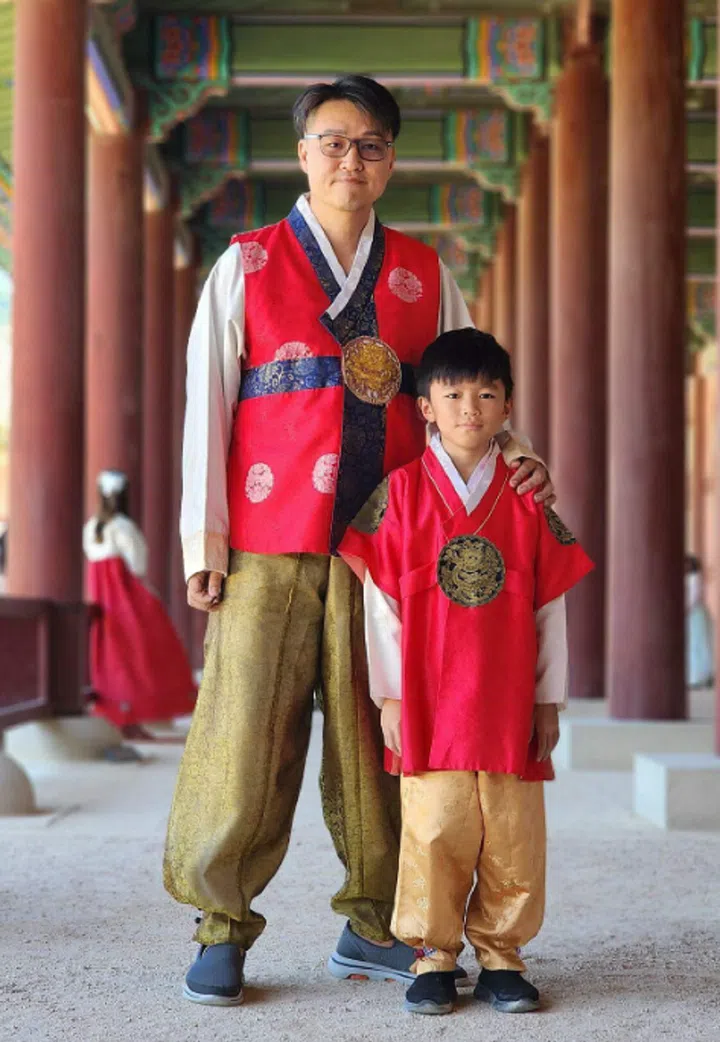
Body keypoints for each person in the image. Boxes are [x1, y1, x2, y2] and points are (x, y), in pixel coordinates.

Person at [164, 74, 555, 1007]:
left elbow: (465, 388)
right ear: (303, 154)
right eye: (334, 142)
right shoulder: (247, 264)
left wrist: (516, 452)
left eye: (371, 144)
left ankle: (377, 922)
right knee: (244, 731)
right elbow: (207, 404)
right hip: (267, 537)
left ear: (390, 161)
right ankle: (222, 923)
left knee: (381, 731)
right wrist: (203, 541)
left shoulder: (425, 271)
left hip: (390, 547)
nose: (352, 159)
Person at [339, 329, 593, 1016]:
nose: (469, 409)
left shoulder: (527, 494)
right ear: (425, 407)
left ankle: (503, 955)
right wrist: (389, 695)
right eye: (452, 395)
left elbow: (549, 605)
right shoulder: (399, 493)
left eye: (486, 394)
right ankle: (433, 954)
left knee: (513, 828)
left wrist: (548, 698)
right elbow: (382, 604)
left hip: (508, 692)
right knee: (436, 824)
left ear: (508, 405)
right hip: (428, 693)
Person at [83, 470, 196, 741]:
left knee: (114, 657)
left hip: (102, 600)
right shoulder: (123, 526)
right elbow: (138, 565)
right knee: (146, 652)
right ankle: (141, 715)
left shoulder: (91, 528)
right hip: (127, 598)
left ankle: (121, 713)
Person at [685, 554, 714, 688]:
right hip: (691, 614)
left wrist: (685, 610)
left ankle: (701, 676)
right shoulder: (689, 577)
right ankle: (694, 677)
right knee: (692, 646)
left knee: (698, 645)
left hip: (695, 614)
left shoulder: (695, 578)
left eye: (687, 563)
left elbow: (694, 597)